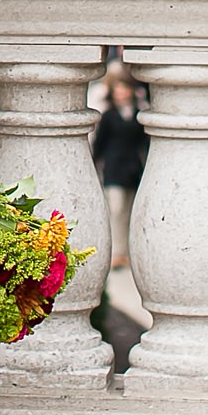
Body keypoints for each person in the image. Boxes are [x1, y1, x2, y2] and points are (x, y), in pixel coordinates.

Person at [91, 68, 148, 270]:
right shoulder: (109, 116)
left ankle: (127, 252)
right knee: (115, 210)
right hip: (113, 169)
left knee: (130, 212)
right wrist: (94, 164)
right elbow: (99, 144)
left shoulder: (138, 116)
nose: (121, 93)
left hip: (132, 169)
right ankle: (116, 251)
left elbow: (145, 145)